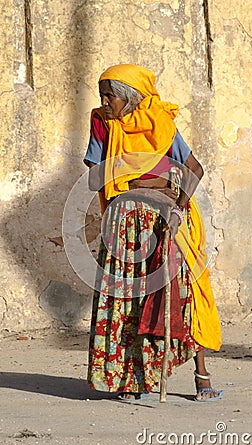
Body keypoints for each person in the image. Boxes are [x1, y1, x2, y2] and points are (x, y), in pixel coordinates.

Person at [84, 64, 223, 402]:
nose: (104, 102)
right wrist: (152, 181)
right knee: (128, 302)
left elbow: (194, 170)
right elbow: (93, 177)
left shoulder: (159, 121)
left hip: (166, 221)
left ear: (130, 99)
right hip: (124, 225)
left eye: (110, 96)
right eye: (101, 95)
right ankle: (132, 380)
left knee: (184, 294)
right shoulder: (103, 123)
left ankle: (201, 377)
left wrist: (176, 204)